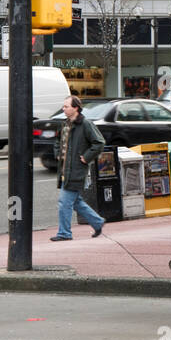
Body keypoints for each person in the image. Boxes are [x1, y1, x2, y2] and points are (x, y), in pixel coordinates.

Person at [52, 95, 106, 241]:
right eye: (64, 106)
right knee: (76, 202)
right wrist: (57, 153)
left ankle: (64, 233)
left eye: (66, 106)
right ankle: (97, 222)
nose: (64, 109)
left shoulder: (85, 124)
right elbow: (57, 141)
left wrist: (86, 157)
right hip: (64, 170)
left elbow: (99, 143)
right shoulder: (64, 124)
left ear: (75, 108)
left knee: (64, 202)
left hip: (76, 170)